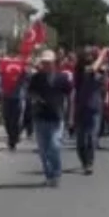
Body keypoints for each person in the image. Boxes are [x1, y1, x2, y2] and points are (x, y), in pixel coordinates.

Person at [27, 50, 73, 186]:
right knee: (43, 150)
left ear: (54, 63)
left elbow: (70, 95)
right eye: (44, 62)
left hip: (56, 117)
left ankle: (56, 173)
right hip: (40, 117)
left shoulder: (62, 78)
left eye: (48, 62)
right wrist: (35, 98)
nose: (46, 65)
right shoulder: (36, 78)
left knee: (54, 146)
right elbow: (30, 92)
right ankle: (49, 175)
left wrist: (70, 116)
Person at [73, 47, 108, 174]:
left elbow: (104, 85)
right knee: (80, 141)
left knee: (91, 137)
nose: (88, 57)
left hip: (94, 108)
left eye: (90, 55)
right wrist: (102, 55)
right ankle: (84, 161)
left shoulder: (101, 70)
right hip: (81, 108)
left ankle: (89, 163)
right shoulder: (80, 70)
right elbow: (91, 69)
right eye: (85, 55)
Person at [0, 53, 27, 151]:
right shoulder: (4, 68)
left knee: (16, 120)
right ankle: (11, 136)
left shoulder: (22, 70)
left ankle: (13, 139)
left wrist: (24, 71)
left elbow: (26, 78)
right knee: (7, 119)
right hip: (6, 96)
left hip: (17, 97)